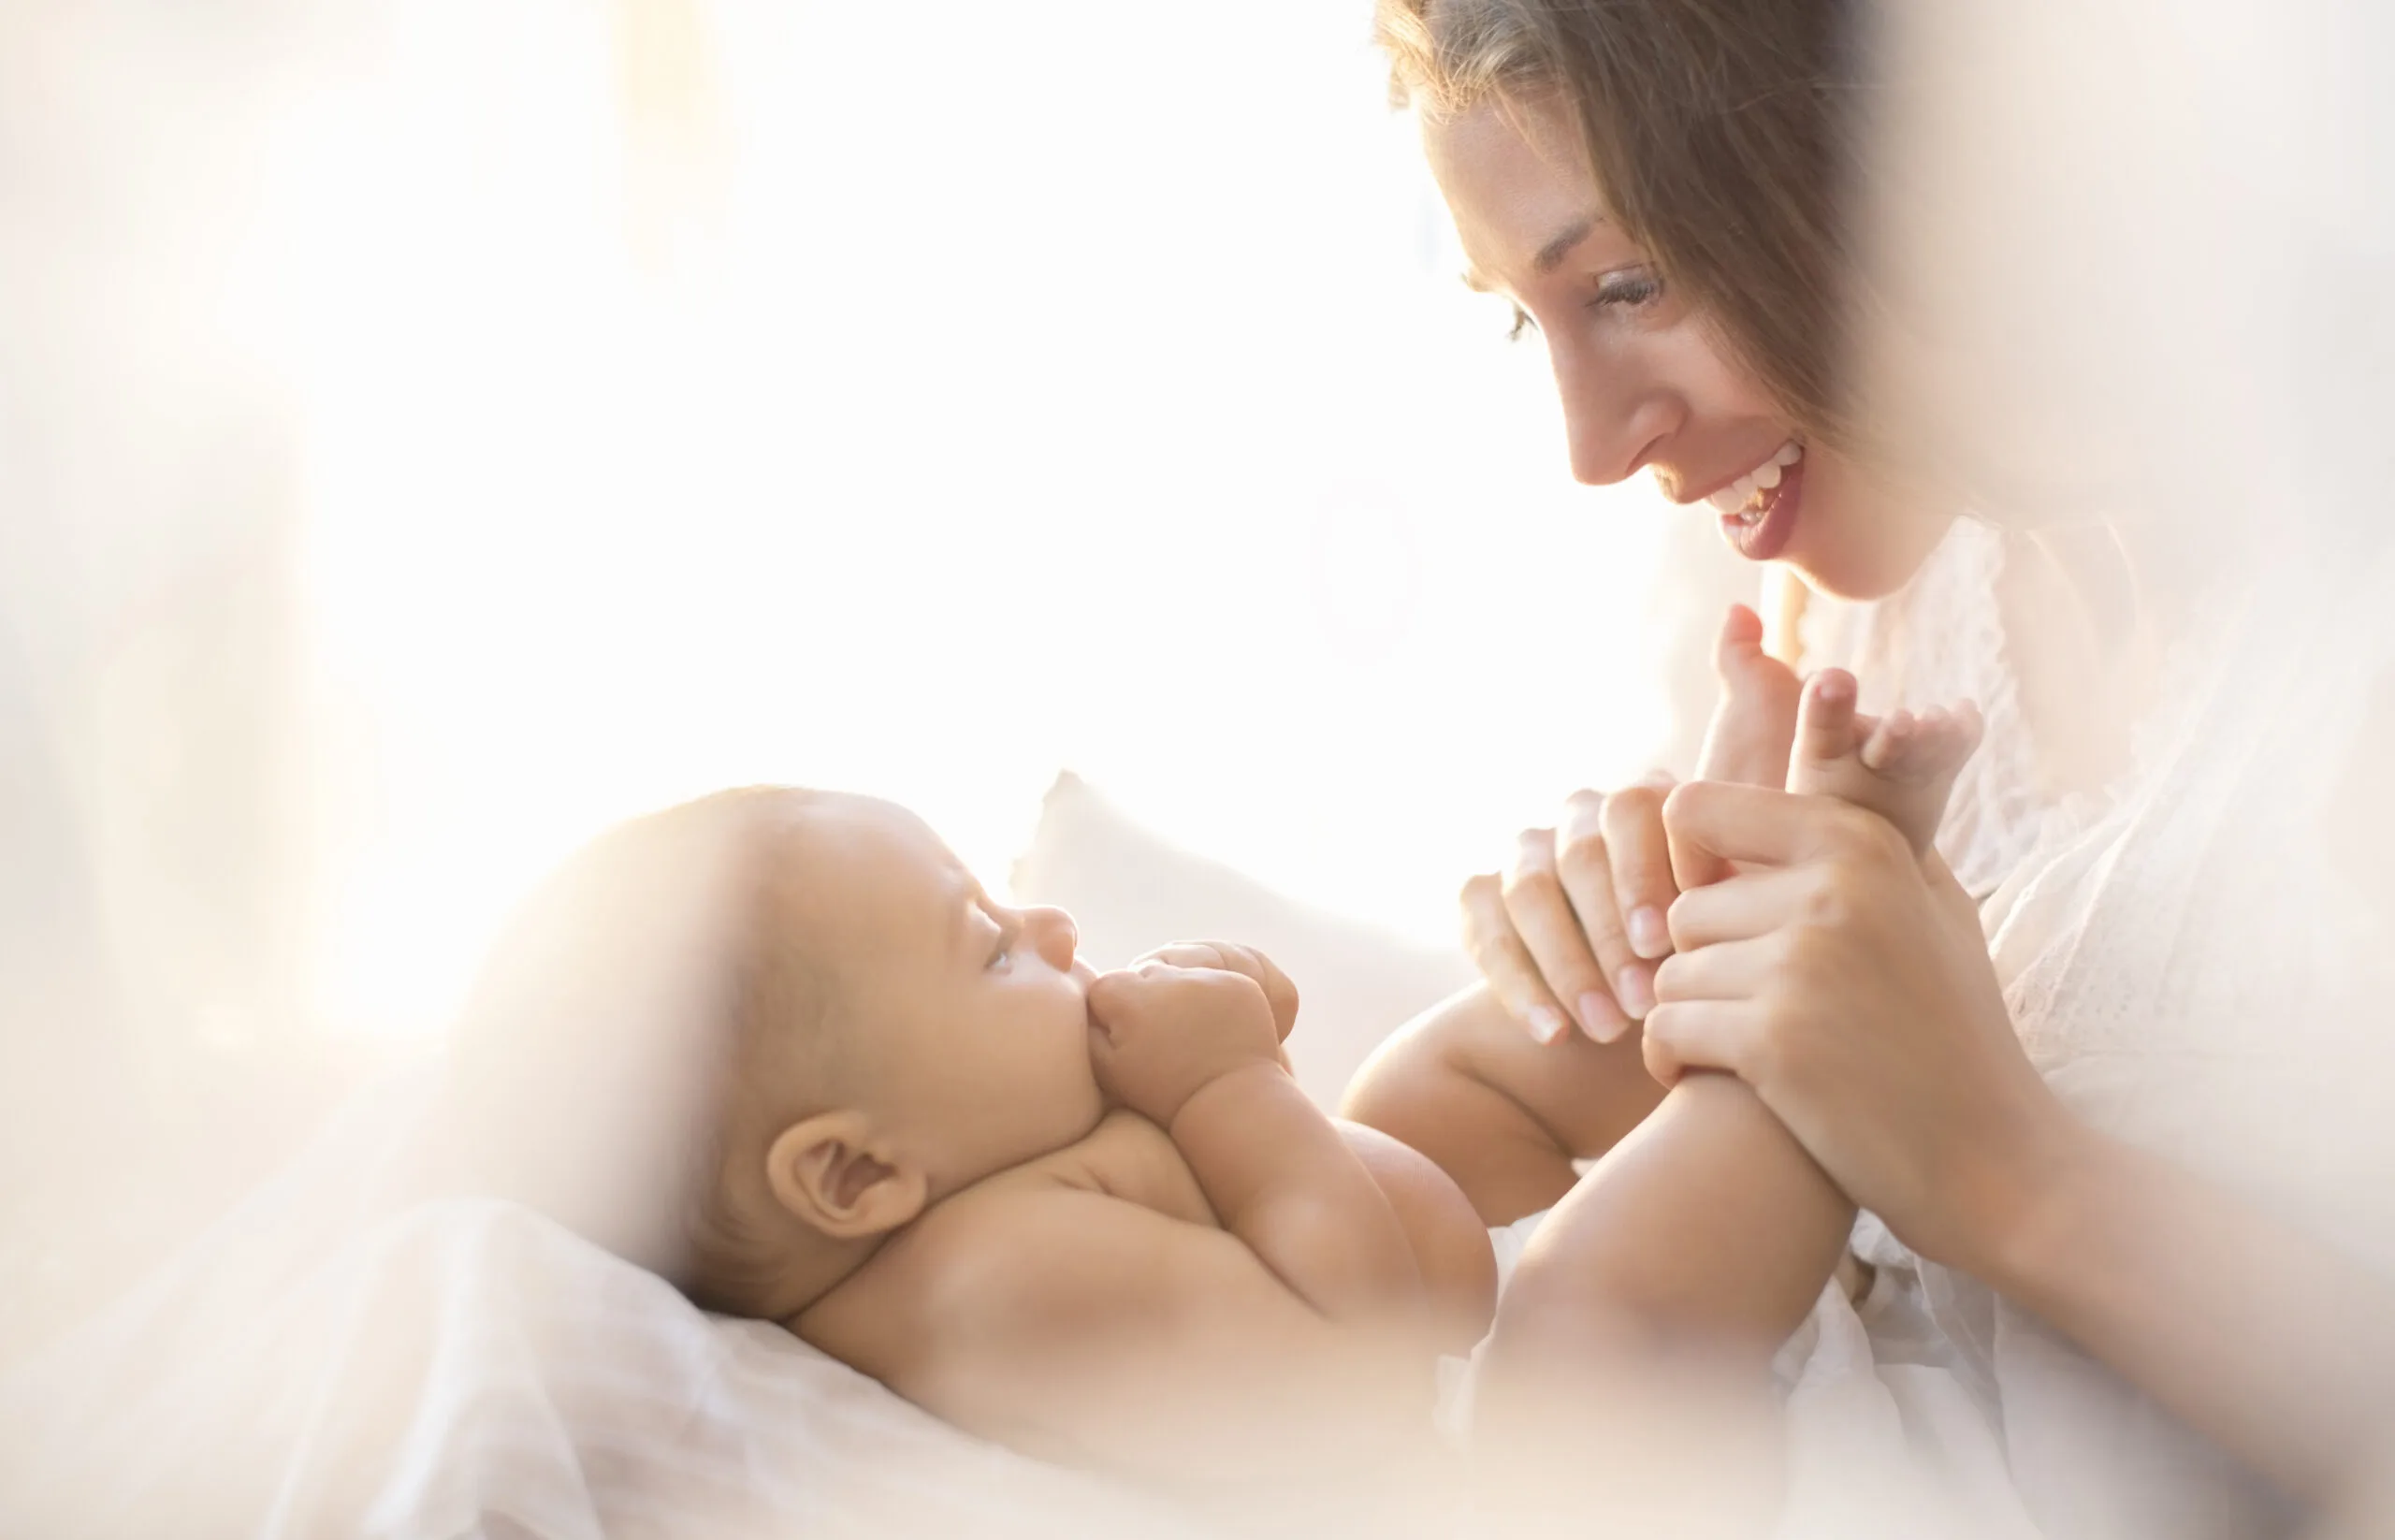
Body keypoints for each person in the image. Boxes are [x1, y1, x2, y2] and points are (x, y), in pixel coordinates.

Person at [1350, 0, 2395, 1533]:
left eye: (1627, 282)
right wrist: (1630, 969)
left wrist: (2010, 1173)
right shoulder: (1835, 623)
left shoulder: (2339, 655)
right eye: (1530, 316)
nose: (1588, 442)